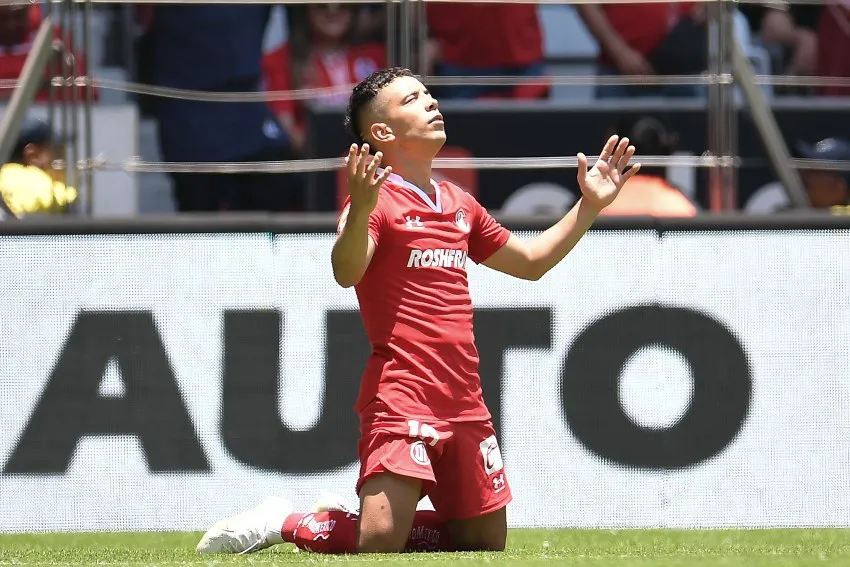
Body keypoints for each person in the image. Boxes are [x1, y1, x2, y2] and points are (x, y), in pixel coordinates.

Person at [195, 67, 640, 555]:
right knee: (379, 541)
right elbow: (347, 271)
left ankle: (349, 518)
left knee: (482, 543)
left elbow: (531, 263)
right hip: (403, 392)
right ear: (383, 133)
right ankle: (287, 521)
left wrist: (590, 206)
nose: (429, 102)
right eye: (412, 98)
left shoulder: (458, 203)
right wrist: (361, 208)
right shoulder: (375, 201)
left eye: (428, 94)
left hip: (464, 398)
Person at [0, 117, 77, 216]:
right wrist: (71, 195)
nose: (62, 162)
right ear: (33, 155)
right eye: (56, 153)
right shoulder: (14, 176)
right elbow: (50, 197)